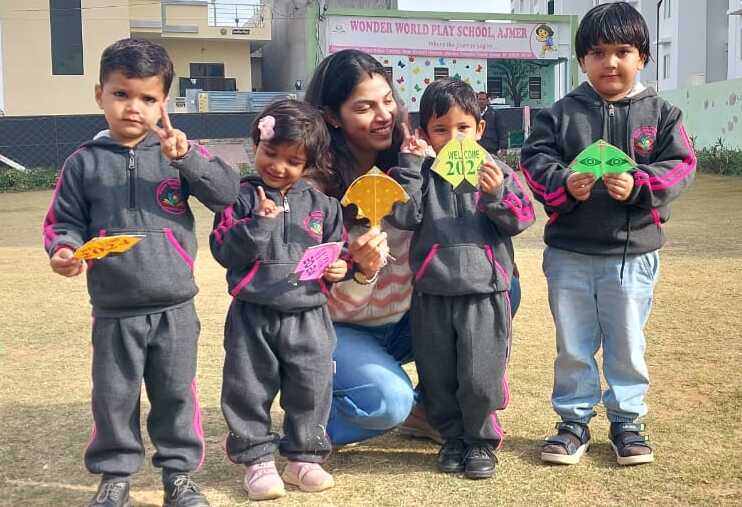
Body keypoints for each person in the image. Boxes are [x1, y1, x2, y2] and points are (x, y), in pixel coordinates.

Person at [42, 38, 239, 507]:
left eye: (148, 98)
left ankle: (179, 477)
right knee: (113, 397)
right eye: (121, 94)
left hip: (175, 306)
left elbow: (229, 193)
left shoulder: (178, 155)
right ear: (99, 95)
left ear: (164, 103)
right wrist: (65, 250)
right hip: (114, 310)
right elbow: (62, 222)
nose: (134, 108)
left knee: (176, 395)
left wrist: (186, 157)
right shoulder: (82, 163)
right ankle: (114, 477)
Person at [304, 50, 522, 447]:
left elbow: (507, 217)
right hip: (342, 326)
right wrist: (363, 271)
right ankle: (308, 427)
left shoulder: (416, 162)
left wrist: (493, 196)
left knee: (495, 285)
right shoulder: (316, 189)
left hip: (408, 323)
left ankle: (432, 408)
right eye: (365, 107)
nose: (384, 114)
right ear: (333, 117)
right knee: (388, 403)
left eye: (388, 100)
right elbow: (314, 291)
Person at [520, 2, 695, 466]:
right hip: (570, 253)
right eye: (597, 52)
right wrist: (563, 183)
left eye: (622, 51)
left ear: (642, 57)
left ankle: (627, 422)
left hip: (632, 253)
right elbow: (534, 161)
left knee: (627, 341)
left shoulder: (662, 114)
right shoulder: (559, 114)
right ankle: (573, 423)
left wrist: (640, 183)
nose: (610, 62)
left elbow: (681, 167)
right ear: (582, 60)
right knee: (573, 343)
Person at [387, 79, 534, 479]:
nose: (452, 138)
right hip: (432, 292)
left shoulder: (497, 171)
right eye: (440, 129)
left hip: (484, 292)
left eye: (462, 128)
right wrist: (412, 168)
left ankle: (482, 442)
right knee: (437, 375)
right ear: (424, 134)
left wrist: (496, 194)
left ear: (479, 129)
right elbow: (404, 216)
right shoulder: (420, 173)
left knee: (479, 375)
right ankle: (452, 438)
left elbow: (522, 218)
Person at [210, 100, 345, 500]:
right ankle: (257, 462)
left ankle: (304, 458)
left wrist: (340, 270)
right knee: (248, 387)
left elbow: (340, 252)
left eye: (293, 160)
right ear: (256, 144)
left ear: (310, 164)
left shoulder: (324, 206)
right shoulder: (237, 198)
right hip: (253, 313)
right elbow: (224, 251)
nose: (278, 166)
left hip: (310, 315)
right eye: (271, 153)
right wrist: (260, 224)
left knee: (312, 386)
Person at [477, 91, 503, 156]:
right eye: (479, 99)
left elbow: (502, 131)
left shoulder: (495, 114)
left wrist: (503, 147)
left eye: (483, 99)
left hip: (491, 149)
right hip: (477, 148)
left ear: (487, 101)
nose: (481, 101)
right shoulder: (472, 115)